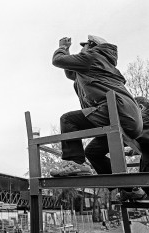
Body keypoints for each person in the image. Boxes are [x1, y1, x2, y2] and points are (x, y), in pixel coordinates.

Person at [50, 35, 143, 177]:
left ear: (92, 45)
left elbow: (58, 60)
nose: (82, 50)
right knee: (92, 152)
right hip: (129, 119)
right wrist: (68, 52)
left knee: (68, 120)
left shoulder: (92, 57)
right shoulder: (99, 63)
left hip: (117, 112)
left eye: (84, 46)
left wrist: (63, 48)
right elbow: (71, 72)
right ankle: (128, 189)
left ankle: (75, 162)